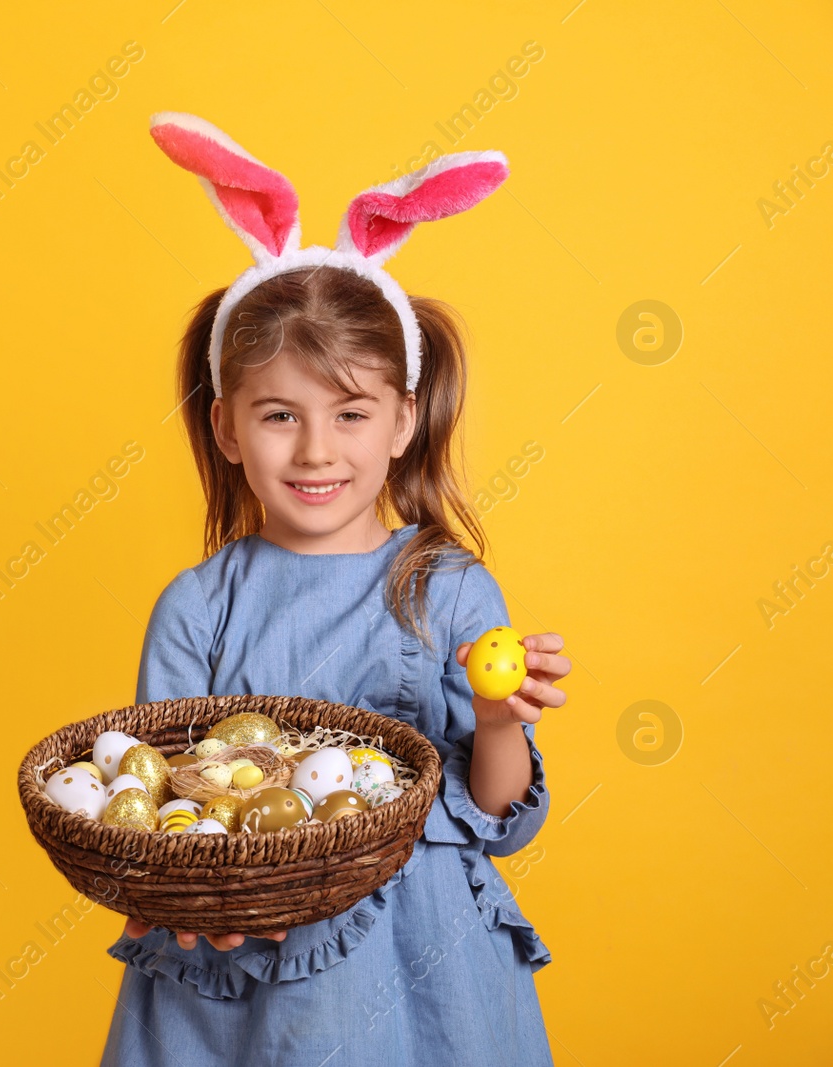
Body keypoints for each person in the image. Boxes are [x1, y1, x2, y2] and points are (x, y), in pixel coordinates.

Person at [100, 115, 571, 1066]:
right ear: (228, 426)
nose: (316, 450)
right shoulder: (199, 606)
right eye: (280, 415)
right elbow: (151, 807)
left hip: (424, 970)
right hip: (239, 978)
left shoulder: (448, 589)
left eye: (351, 412)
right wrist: (198, 900)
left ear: (402, 419)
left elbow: (498, 817)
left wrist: (494, 719)